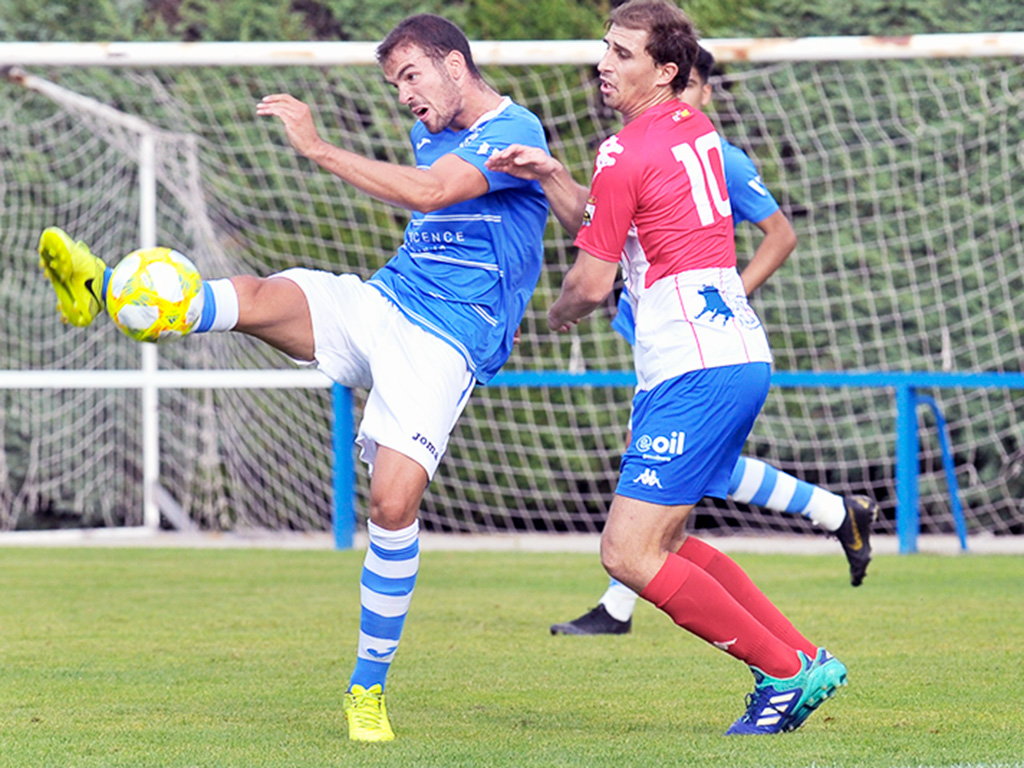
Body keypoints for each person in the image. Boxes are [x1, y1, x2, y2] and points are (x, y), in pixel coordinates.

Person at [37, 14, 549, 743]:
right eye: (393, 82)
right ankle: (105, 287)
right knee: (252, 297)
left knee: (392, 503)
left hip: (444, 344)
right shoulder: (430, 129)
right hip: (385, 301)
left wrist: (314, 147)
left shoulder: (514, 125)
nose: (404, 94)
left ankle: (366, 689)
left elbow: (434, 195)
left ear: (456, 66)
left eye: (411, 76)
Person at [487, 0, 846, 734]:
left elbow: (592, 280)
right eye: (605, 49)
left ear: (666, 70)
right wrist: (554, 174)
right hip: (729, 358)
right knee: (669, 542)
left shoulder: (626, 148)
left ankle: (782, 674)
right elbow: (613, 222)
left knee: (626, 552)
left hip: (694, 367)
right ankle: (806, 657)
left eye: (622, 53)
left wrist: (550, 317)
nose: (603, 64)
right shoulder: (697, 133)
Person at [546, 46, 878, 638]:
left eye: (695, 86)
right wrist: (549, 175)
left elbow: (779, 234)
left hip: (696, 343)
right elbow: (605, 228)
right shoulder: (659, 148)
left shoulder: (711, 154)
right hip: (662, 339)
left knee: (656, 493)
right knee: (675, 485)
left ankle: (625, 608)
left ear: (692, 88)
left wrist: (726, 298)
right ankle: (834, 517)